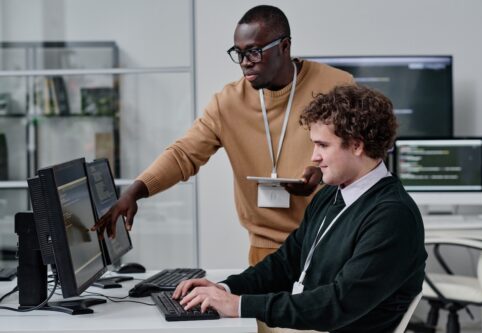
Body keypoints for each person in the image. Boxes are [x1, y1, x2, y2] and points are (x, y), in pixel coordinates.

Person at [94, 5, 353, 265]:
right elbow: (183, 154)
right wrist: (133, 192)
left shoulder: (336, 86)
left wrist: (327, 173)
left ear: (284, 47)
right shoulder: (228, 102)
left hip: (329, 243)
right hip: (266, 254)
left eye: (253, 51)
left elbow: (363, 156)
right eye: (238, 53)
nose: (244, 62)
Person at [172, 85, 427, 333]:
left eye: (323, 145)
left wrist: (239, 305)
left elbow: (338, 304)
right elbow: (286, 264)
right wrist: (225, 289)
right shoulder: (331, 194)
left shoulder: (392, 216)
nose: (314, 157)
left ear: (357, 145)